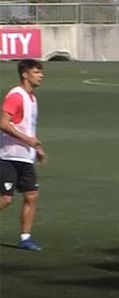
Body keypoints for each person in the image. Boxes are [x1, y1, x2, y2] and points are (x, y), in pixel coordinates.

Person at [0, 59, 47, 251]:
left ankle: (25, 237)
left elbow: (29, 128)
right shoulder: (16, 96)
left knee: (31, 196)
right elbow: (3, 123)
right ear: (25, 74)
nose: (41, 75)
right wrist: (26, 140)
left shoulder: (32, 99)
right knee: (5, 199)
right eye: (36, 72)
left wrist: (37, 148)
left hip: (25, 157)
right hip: (8, 156)